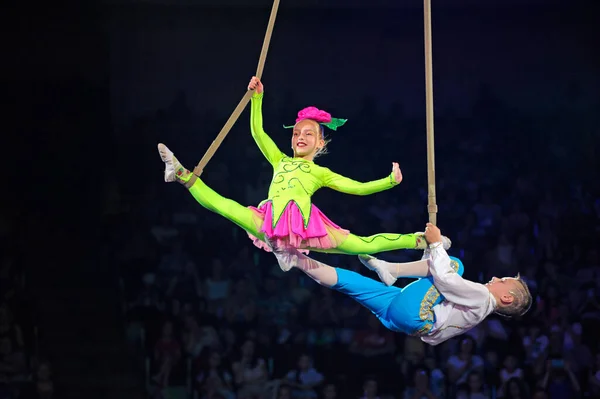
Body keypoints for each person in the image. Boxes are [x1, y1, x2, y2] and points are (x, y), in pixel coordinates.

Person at [157, 77, 449, 259]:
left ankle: (419, 240)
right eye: (297, 132)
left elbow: (356, 188)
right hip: (270, 222)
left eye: (308, 133)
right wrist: (257, 99)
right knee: (224, 206)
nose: (300, 136)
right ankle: (181, 173)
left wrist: (388, 181)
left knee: (362, 245)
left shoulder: (320, 173)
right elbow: (258, 132)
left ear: (320, 143)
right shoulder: (280, 160)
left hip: (307, 229)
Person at [267, 223, 532, 344]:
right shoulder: (477, 307)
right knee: (351, 282)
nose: (496, 278)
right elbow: (435, 284)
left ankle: (391, 268)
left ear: (506, 297)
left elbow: (446, 280)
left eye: (503, 280)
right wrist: (432, 252)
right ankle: (295, 259)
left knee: (455, 265)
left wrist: (438, 243)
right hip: (403, 317)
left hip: (415, 314)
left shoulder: (482, 298)